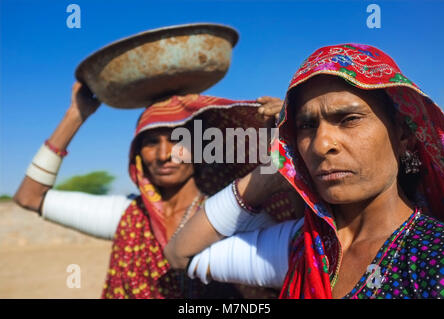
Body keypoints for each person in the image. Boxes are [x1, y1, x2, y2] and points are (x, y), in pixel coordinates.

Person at [164, 43, 444, 299]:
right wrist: (273, 172)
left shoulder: (437, 259)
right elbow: (181, 253)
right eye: (307, 126)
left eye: (349, 119)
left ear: (403, 135)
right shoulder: (304, 247)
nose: (321, 144)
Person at [13, 82, 303, 299]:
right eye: (151, 142)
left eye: (178, 140)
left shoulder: (236, 213)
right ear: (137, 154)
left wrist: (290, 132)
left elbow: (305, 245)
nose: (164, 154)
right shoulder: (127, 216)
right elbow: (29, 197)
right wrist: (76, 115)